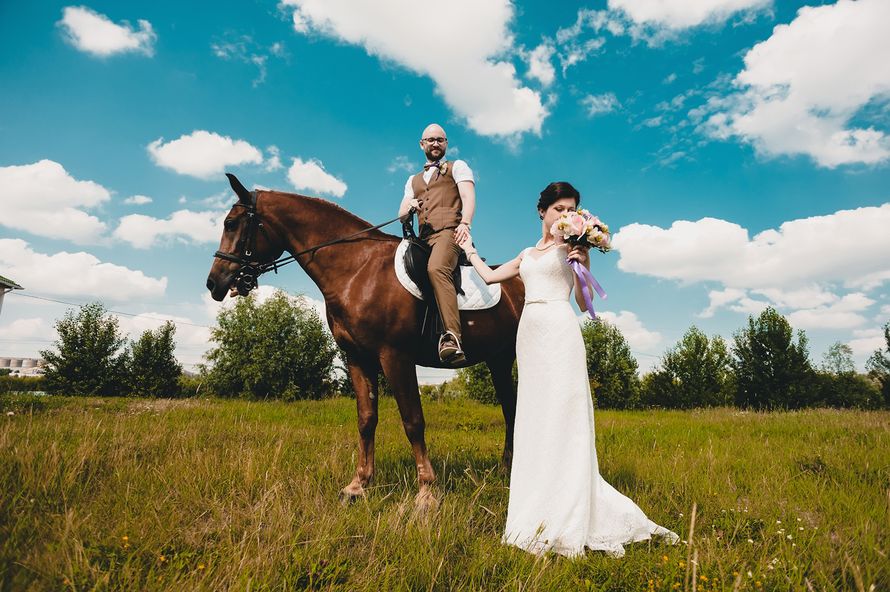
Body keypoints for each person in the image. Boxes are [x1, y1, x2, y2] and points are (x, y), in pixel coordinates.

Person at [457, 181, 679, 558]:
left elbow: (582, 303)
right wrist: (468, 249)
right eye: (559, 208)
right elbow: (492, 277)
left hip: (559, 330)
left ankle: (569, 505)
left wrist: (581, 266)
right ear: (542, 211)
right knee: (535, 417)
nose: (565, 215)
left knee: (564, 413)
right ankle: (538, 500)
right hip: (529, 335)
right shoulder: (527, 253)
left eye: (571, 208)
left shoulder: (572, 250)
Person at [398, 123, 475, 364]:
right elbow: (401, 213)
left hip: (449, 232)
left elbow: (468, 197)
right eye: (430, 140)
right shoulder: (413, 180)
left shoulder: (458, 167)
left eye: (440, 140)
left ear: (446, 144)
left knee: (437, 268)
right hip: (422, 238)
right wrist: (408, 207)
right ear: (422, 144)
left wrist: (465, 223)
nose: (435, 143)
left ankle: (452, 336)